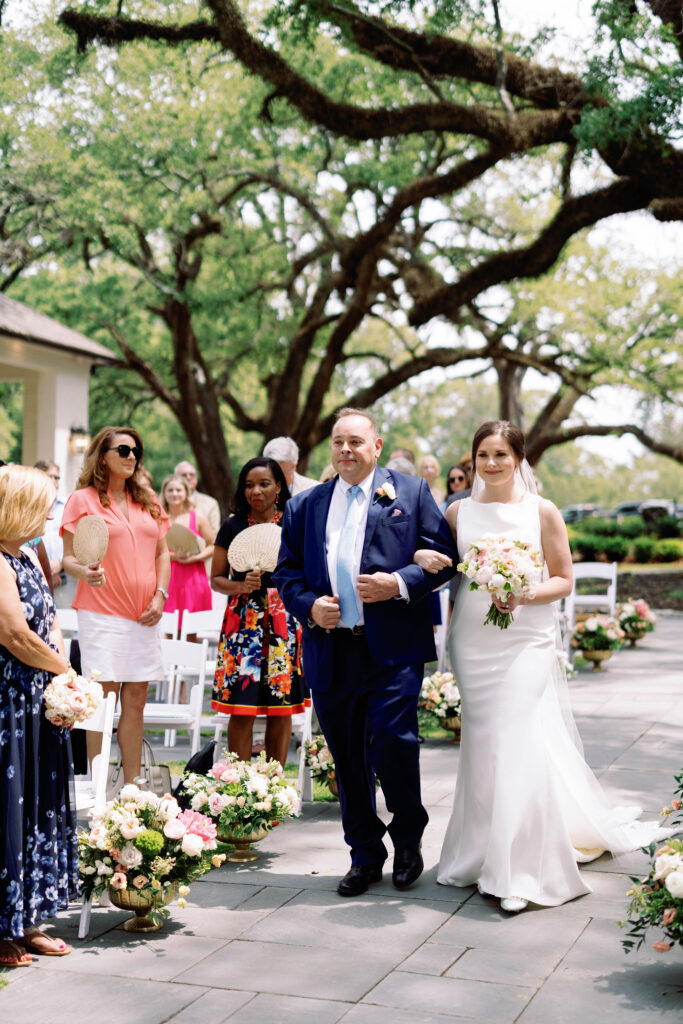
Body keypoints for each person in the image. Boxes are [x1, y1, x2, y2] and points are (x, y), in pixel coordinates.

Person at [415, 420, 676, 913]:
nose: (490, 464)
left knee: (515, 741)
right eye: (482, 456)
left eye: (500, 454)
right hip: (473, 641)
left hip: (526, 641)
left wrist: (526, 591)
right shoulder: (457, 512)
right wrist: (420, 556)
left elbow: (565, 579)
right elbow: (444, 568)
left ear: (518, 458)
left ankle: (522, 873)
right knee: (485, 744)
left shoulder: (542, 510)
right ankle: (477, 853)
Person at [274, 408, 455, 897]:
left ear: (376, 446)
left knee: (394, 744)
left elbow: (444, 562)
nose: (346, 450)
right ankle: (364, 854)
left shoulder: (411, 493)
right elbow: (286, 575)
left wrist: (397, 583)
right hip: (332, 649)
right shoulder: (304, 506)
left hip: (392, 649)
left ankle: (408, 837)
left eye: (356, 441)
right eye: (338, 442)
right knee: (347, 758)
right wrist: (311, 607)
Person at [61, 427, 170, 784]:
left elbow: (162, 553)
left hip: (146, 615)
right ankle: (97, 784)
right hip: (103, 613)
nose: (131, 456)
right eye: (122, 449)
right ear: (102, 455)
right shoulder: (83, 499)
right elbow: (67, 559)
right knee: (104, 701)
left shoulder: (148, 498)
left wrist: (160, 595)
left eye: (136, 450)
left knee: (136, 699)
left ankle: (133, 788)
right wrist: (86, 571)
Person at [0, 465, 77, 965]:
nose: (51, 515)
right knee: (7, 808)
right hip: (7, 704)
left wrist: (60, 686)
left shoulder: (25, 554)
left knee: (33, 808)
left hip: (36, 700)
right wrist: (68, 670)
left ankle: (25, 918)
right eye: (45, 505)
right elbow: (15, 636)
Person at [210, 457, 307, 767]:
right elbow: (216, 579)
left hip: (283, 620)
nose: (256, 491)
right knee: (242, 706)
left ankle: (273, 789)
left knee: (282, 705)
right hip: (243, 624)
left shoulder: (293, 522)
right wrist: (241, 586)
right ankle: (239, 789)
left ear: (279, 486)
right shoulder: (232, 525)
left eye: (264, 483)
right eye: (249, 485)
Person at [160, 474, 214, 632]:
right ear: (164, 493)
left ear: (186, 492)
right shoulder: (159, 519)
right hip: (168, 580)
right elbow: (151, 551)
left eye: (179, 490)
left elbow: (213, 545)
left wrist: (195, 558)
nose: (175, 494)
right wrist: (175, 556)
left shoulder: (198, 518)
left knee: (191, 632)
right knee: (168, 630)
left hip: (193, 581)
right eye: (170, 490)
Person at [34, 460, 65, 591]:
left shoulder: (66, 506)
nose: (53, 480)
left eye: (56, 477)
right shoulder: (29, 505)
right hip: (35, 572)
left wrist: (60, 564)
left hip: (62, 574)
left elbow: (73, 540)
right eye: (49, 476)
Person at [174, 460, 221, 536]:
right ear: (175, 478)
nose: (188, 477)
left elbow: (215, 535)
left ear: (196, 478)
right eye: (184, 475)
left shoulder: (211, 503)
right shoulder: (166, 503)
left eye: (192, 474)